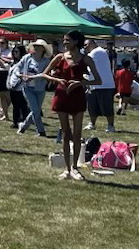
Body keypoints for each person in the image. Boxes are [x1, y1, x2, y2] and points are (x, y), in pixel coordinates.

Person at [31, 31, 103, 179]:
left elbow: (98, 80)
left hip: (77, 96)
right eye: (64, 40)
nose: (64, 43)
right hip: (62, 95)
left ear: (76, 42)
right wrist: (58, 80)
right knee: (66, 134)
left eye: (67, 40)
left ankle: (75, 167)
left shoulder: (86, 59)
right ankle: (67, 169)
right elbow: (44, 74)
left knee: (77, 134)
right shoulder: (60, 57)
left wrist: (80, 83)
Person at [17, 39, 51, 137]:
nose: (36, 47)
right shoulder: (27, 57)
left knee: (35, 110)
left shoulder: (46, 61)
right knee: (35, 110)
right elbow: (18, 67)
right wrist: (20, 75)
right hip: (27, 87)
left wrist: (33, 78)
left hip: (40, 88)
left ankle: (23, 126)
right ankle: (41, 130)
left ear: (43, 49)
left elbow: (45, 74)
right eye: (35, 45)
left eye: (38, 46)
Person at [85, 39, 117, 133]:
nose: (85, 47)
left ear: (92, 43)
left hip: (104, 85)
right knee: (92, 106)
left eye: (86, 45)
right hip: (94, 85)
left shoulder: (98, 52)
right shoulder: (94, 53)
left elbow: (86, 62)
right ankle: (92, 123)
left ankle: (110, 126)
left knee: (107, 107)